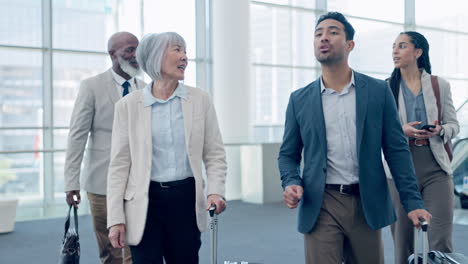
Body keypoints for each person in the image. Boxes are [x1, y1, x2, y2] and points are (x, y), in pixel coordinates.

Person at [278, 12, 432, 264]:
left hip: (366, 202)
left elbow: (396, 151)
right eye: (318, 34)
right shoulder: (299, 100)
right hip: (321, 203)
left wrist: (412, 202)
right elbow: (288, 154)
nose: (323, 38)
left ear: (350, 45)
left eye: (332, 32)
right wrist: (290, 181)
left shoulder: (377, 92)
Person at [106, 32, 227, 264]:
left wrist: (215, 190)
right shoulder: (127, 106)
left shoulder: (200, 100)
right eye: (177, 50)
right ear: (155, 57)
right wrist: (115, 218)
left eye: (185, 51)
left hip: (186, 200)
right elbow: (119, 166)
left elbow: (214, 154)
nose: (185, 57)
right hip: (144, 203)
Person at [64, 32, 146, 264]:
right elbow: (77, 136)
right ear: (113, 54)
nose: (135, 56)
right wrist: (71, 182)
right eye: (129, 50)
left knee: (137, 245)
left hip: (138, 182)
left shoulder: (146, 88)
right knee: (111, 249)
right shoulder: (91, 86)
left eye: (137, 50)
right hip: (102, 183)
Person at [386, 31, 459, 263]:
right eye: (394, 46)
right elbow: (378, 132)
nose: (395, 51)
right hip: (399, 167)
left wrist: (440, 131)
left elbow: (454, 126)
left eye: (402, 46)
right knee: (403, 238)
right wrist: (401, 131)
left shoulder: (440, 86)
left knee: (441, 238)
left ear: (418, 52)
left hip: (435, 166)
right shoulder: (386, 88)